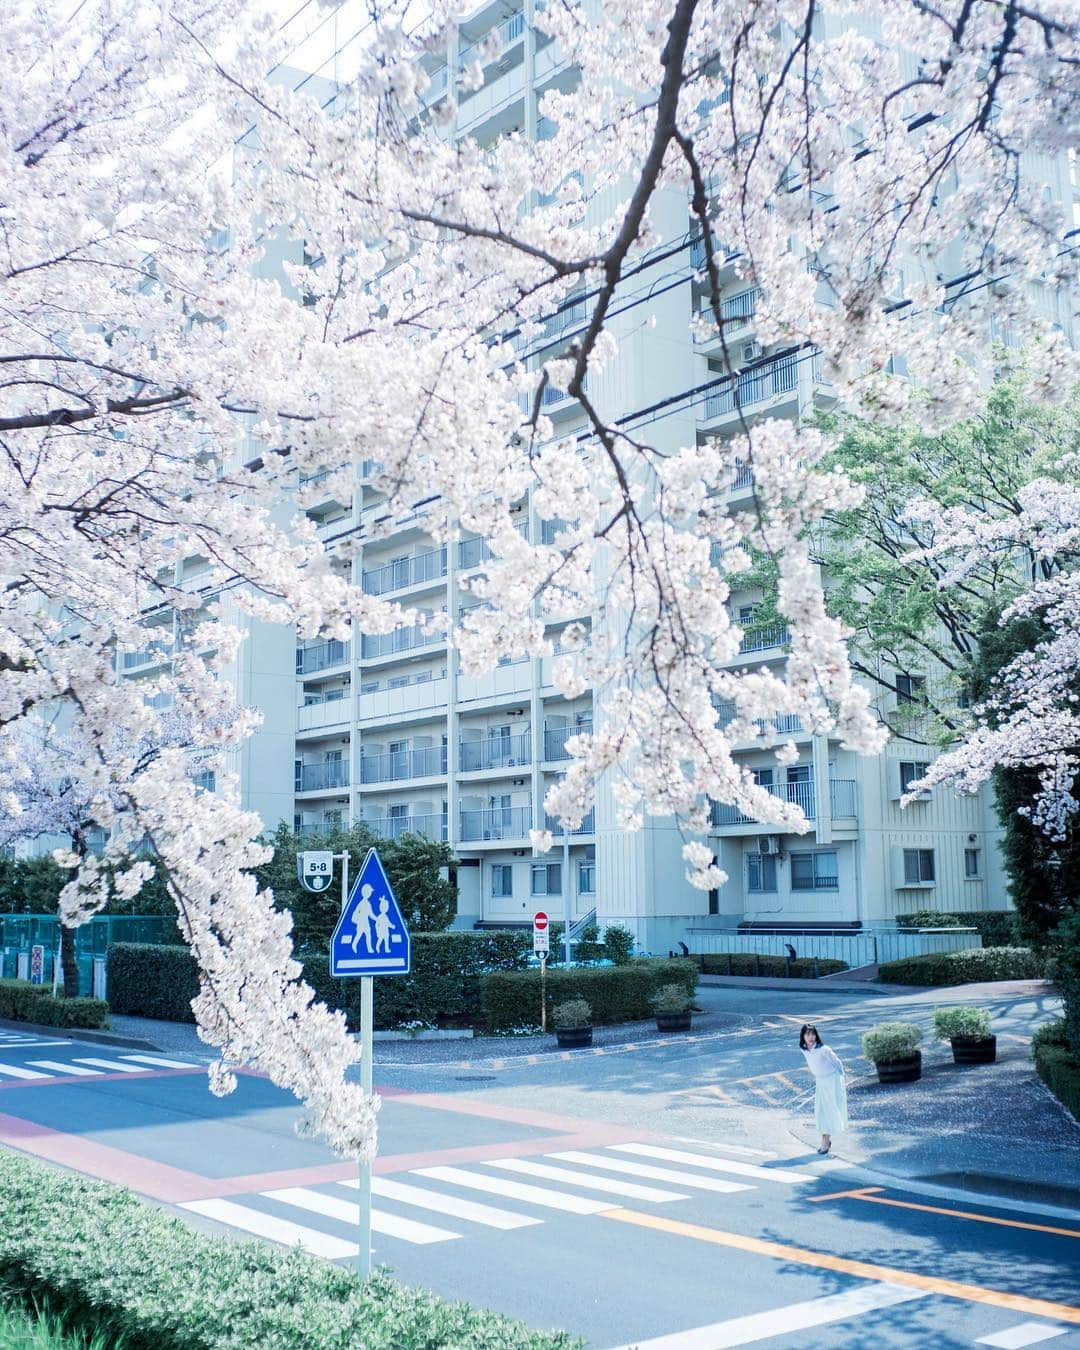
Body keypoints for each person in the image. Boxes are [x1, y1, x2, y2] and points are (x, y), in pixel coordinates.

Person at [799, 1023, 847, 1154]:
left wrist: (842, 1081)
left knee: (828, 1112)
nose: (811, 1037)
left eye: (813, 1034)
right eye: (808, 1034)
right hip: (820, 1082)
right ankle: (825, 1142)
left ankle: (825, 1143)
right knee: (821, 1112)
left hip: (832, 1081)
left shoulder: (823, 1049)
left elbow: (837, 1062)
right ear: (802, 1036)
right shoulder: (803, 1049)